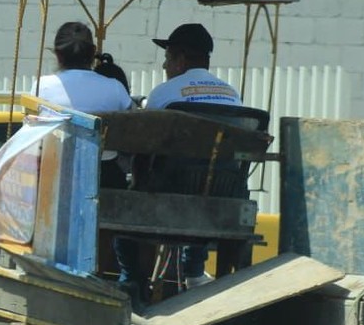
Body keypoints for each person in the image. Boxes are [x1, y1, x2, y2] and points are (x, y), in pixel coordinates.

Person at [117, 22, 238, 301]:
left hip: (168, 193)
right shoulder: (232, 94)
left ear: (181, 59)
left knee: (122, 207)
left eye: (167, 58)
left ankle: (132, 280)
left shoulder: (165, 93)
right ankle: (194, 271)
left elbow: (142, 142)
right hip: (219, 195)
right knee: (199, 184)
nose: (164, 66)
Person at [35, 21, 134, 190]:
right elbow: (134, 127)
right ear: (93, 52)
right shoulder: (115, 88)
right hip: (105, 177)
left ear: (58, 55)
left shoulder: (42, 87)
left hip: (56, 175)